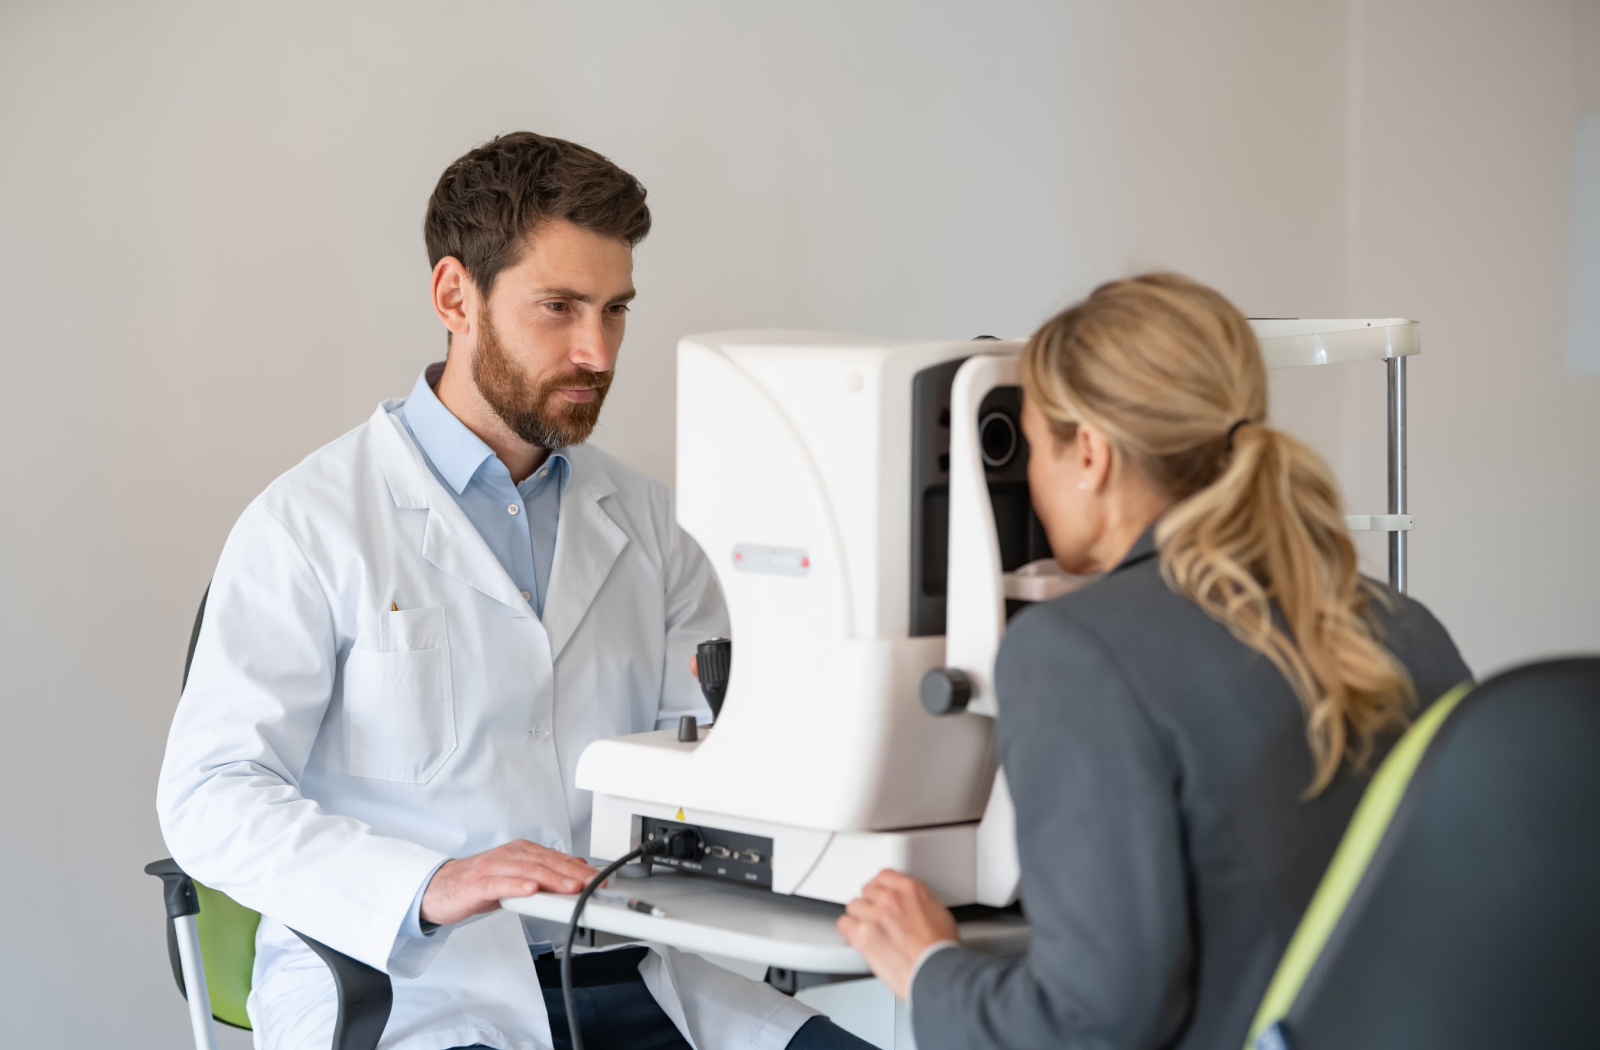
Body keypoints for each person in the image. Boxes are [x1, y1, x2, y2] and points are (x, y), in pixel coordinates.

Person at [157, 132, 869, 1050]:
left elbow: (707, 759)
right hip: (412, 984)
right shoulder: (308, 524)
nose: (597, 350)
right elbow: (211, 795)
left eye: (615, 310)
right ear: (456, 296)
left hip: (632, 969)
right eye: (560, 307)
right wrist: (428, 885)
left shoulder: (648, 522)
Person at [837, 274, 1473, 1049]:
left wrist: (928, 965)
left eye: (1034, 447)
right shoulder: (1406, 624)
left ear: (1092, 456)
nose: (1029, 487)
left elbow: (1090, 1029)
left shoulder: (1077, 653)